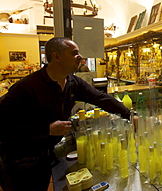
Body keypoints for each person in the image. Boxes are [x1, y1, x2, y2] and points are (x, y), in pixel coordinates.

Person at [0, 37, 131, 191]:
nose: (80, 57)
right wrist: (46, 129)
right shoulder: (27, 88)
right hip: (21, 159)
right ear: (56, 57)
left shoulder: (72, 82)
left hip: (47, 153)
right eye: (74, 53)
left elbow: (101, 98)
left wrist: (129, 115)